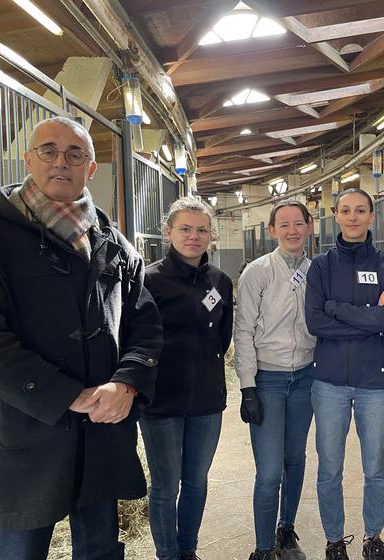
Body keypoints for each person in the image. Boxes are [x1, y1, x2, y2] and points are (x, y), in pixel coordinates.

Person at [0, 116, 162, 559]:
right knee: (22, 551)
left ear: (91, 168)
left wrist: (128, 384)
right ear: (28, 159)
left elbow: (144, 323)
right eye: (48, 150)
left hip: (102, 428)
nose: (60, 162)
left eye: (75, 154)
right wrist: (65, 394)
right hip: (29, 428)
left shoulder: (116, 245)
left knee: (100, 547)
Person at [305, 188, 384, 560]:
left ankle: (372, 537)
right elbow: (315, 322)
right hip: (328, 381)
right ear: (335, 214)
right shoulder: (320, 266)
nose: (353, 217)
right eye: (345, 210)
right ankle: (334, 540)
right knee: (329, 467)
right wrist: (368, 318)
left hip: (375, 382)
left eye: (360, 210)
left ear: (371, 216)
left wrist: (337, 308)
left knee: (375, 466)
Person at [140, 197, 234, 560]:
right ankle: (167, 554)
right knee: (166, 485)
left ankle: (187, 550)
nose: (194, 236)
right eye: (185, 229)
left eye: (201, 230)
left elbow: (222, 338)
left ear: (211, 236)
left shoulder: (220, 282)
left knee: (196, 482)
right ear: (168, 232)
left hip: (207, 400)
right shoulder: (149, 280)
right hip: (161, 400)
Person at [234, 200, 316, 560]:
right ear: (272, 231)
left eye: (298, 223)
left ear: (310, 226)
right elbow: (243, 330)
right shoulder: (257, 272)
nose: (292, 230)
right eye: (283, 224)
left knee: (295, 458)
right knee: (269, 472)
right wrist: (248, 386)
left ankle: (286, 530)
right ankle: (263, 547)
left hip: (306, 378)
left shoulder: (317, 272)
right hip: (268, 378)